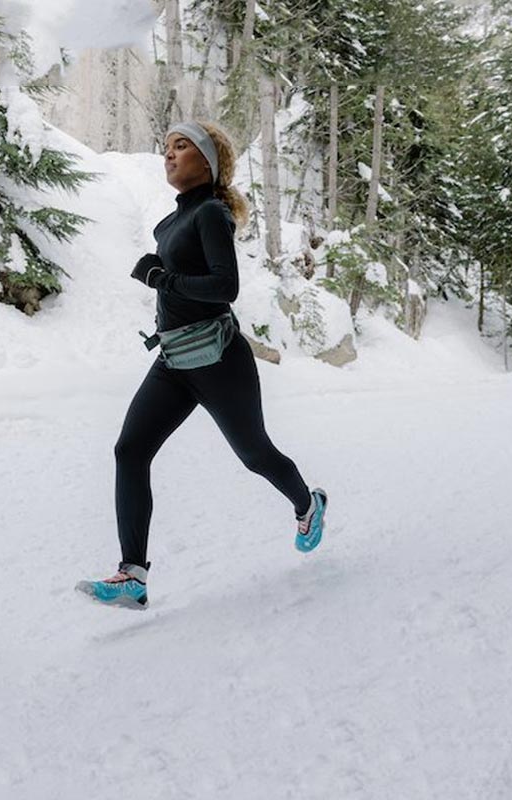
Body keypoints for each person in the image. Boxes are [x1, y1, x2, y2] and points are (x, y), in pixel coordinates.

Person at [76, 120, 327, 609]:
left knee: (255, 455)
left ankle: (307, 503)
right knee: (130, 450)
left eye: (182, 146)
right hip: (173, 358)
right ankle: (133, 576)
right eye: (167, 147)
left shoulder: (211, 213)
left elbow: (224, 288)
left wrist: (162, 279)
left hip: (218, 358)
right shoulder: (170, 223)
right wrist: (162, 275)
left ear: (208, 162)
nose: (169, 154)